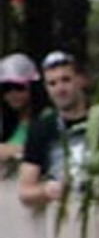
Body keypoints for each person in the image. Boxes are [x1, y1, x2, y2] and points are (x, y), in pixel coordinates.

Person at [19, 50, 89, 210]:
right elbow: (25, 191)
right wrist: (46, 190)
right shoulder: (40, 129)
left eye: (66, 80)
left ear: (80, 80)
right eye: (52, 83)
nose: (60, 88)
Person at [0, 53, 41, 172]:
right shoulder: (7, 122)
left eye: (19, 87)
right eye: (6, 88)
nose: (12, 94)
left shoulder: (47, 118)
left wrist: (12, 150)